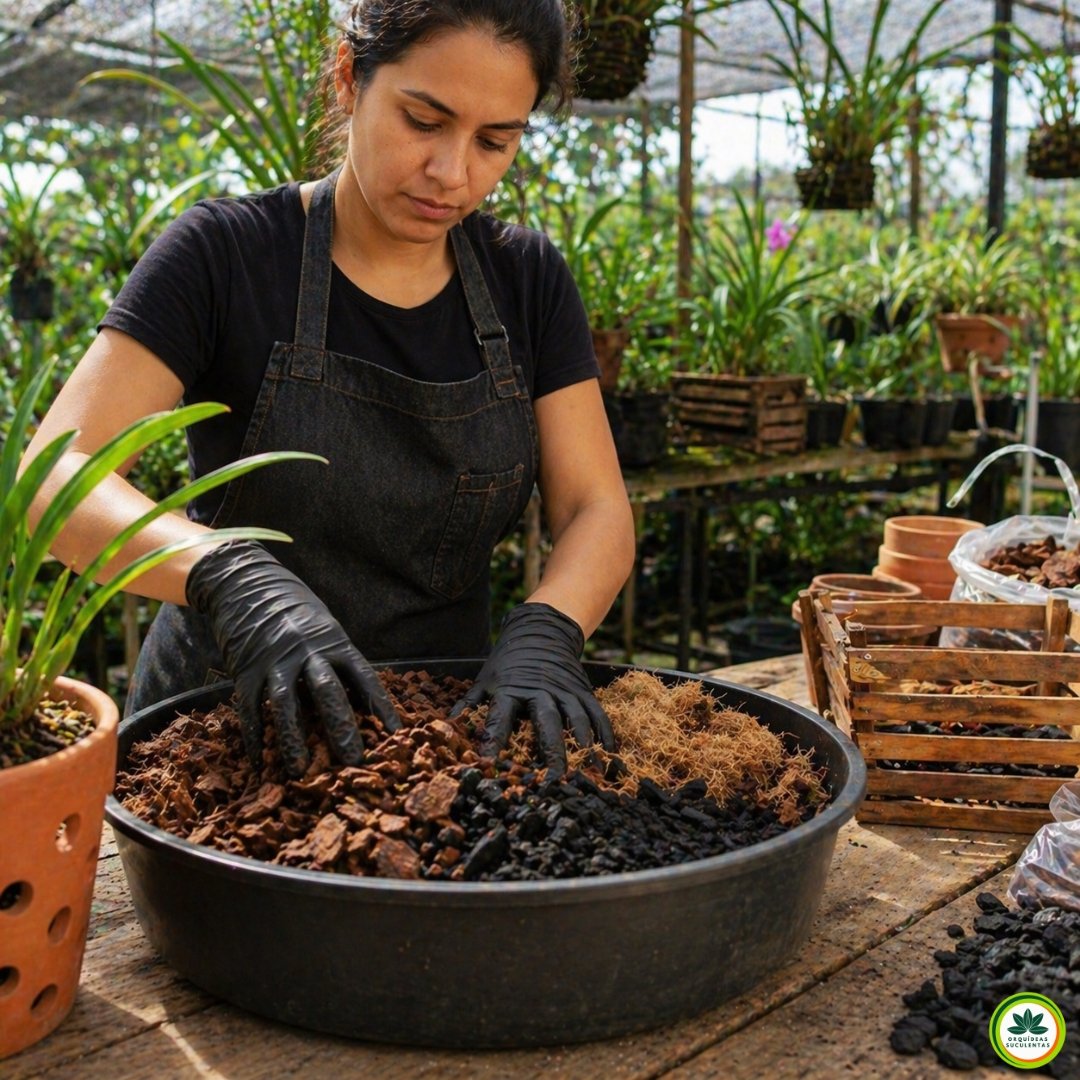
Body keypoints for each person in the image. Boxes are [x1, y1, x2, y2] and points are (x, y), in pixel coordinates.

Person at [22, 0, 636, 780]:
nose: (453, 173)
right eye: (423, 121)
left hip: (443, 742)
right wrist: (228, 577)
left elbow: (596, 508)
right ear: (350, 79)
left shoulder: (528, 282)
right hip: (224, 732)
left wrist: (549, 628)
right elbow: (53, 480)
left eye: (494, 140)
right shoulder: (224, 258)